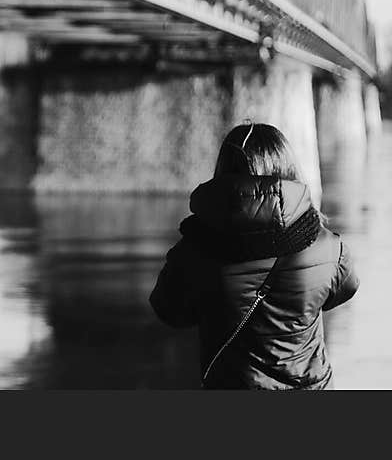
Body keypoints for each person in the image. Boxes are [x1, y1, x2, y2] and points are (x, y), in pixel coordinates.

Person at [149, 122, 359, 389]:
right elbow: (345, 288)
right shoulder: (327, 247)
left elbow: (169, 309)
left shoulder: (196, 247)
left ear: (223, 170)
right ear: (288, 167)